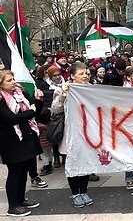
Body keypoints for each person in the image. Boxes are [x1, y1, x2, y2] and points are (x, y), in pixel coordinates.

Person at [0, 70, 44, 217]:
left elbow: (34, 111)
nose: (13, 82)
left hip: (27, 138)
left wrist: (38, 101)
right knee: (15, 173)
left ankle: (20, 200)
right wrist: (31, 111)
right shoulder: (1, 100)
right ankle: (13, 206)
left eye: (13, 79)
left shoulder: (20, 94)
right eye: (8, 80)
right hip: (11, 142)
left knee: (24, 171)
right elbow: (11, 119)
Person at [51, 62, 94, 208]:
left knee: (86, 163)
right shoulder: (63, 90)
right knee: (73, 163)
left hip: (88, 133)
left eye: (86, 73)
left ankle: (84, 191)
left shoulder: (91, 89)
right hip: (71, 133)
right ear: (72, 76)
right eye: (81, 74)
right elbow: (55, 109)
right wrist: (63, 94)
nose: (85, 76)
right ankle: (75, 193)